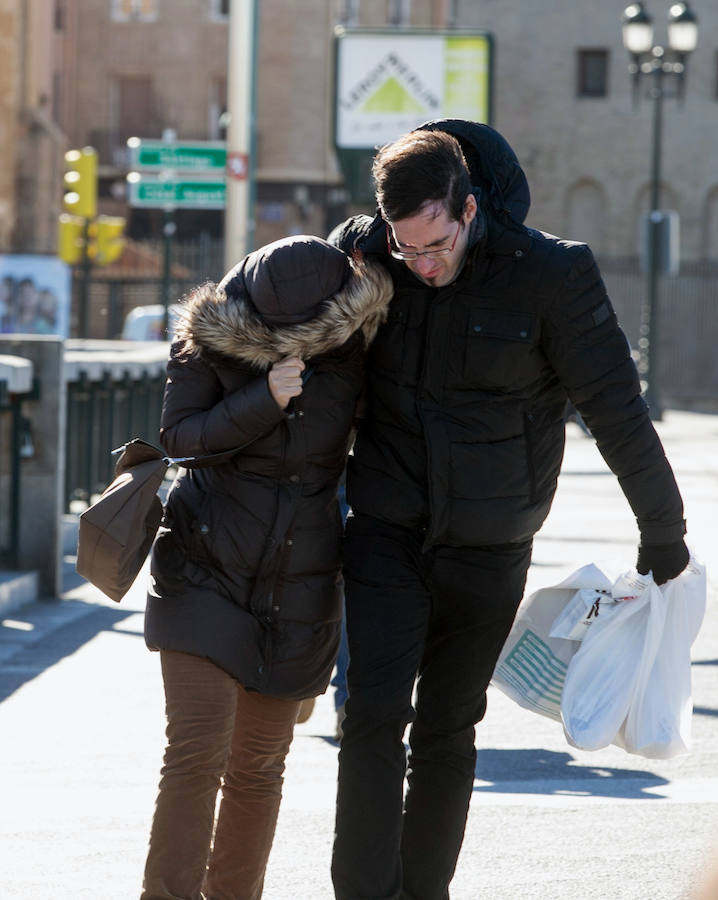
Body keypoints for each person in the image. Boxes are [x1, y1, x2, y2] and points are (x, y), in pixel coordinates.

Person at [327, 119, 690, 900]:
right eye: (407, 249)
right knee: (370, 716)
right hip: (386, 531)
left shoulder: (550, 274)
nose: (423, 265)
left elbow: (616, 408)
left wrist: (663, 527)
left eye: (436, 245)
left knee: (447, 728)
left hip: (489, 545)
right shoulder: (365, 254)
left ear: (469, 208)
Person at [140, 234, 391, 900]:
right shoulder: (207, 338)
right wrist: (264, 398)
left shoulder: (359, 346)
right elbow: (179, 440)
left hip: (300, 587)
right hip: (204, 571)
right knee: (196, 753)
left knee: (257, 768)